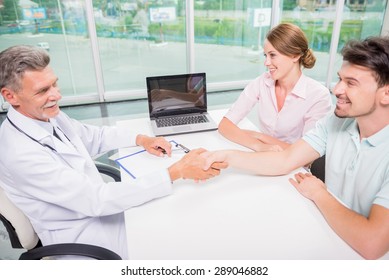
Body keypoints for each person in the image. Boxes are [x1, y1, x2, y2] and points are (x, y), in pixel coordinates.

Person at [0, 45, 226, 259]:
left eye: (54, 85)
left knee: (184, 213)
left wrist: (141, 139)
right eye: (43, 90)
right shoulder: (18, 153)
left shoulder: (46, 114)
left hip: (104, 210)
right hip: (85, 236)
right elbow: (96, 200)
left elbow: (93, 136)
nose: (56, 95)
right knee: (180, 242)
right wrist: (176, 172)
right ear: (10, 96)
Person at [203, 36, 389, 259]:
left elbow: (372, 244)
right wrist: (223, 156)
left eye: (351, 83)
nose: (336, 89)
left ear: (386, 93)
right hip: (330, 234)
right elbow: (285, 160)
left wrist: (319, 193)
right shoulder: (338, 121)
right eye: (340, 79)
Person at [218, 23, 332, 152]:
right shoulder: (263, 82)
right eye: (265, 55)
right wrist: (258, 145)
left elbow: (306, 153)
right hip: (264, 157)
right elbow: (225, 125)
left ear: (295, 55)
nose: (266, 63)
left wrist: (259, 136)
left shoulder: (318, 95)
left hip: (294, 167)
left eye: (273, 55)